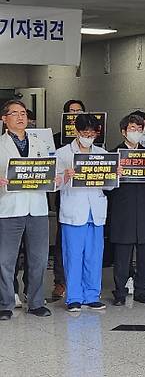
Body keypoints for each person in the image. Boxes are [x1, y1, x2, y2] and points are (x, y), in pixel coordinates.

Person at [0, 100, 59, 321]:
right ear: (4, 119)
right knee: (5, 259)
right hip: (9, 208)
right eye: (14, 113)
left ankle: (35, 301)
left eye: (23, 113)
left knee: (39, 258)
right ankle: (5, 302)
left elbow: (48, 170)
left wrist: (56, 178)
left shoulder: (39, 143)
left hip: (37, 208)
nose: (20, 117)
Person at [56, 113, 117, 312]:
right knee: (73, 255)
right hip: (73, 211)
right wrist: (65, 175)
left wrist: (114, 176)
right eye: (84, 132)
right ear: (76, 132)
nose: (88, 136)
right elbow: (53, 185)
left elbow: (108, 187)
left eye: (92, 132)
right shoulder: (63, 153)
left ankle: (92, 294)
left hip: (96, 211)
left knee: (94, 255)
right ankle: (74, 296)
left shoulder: (102, 152)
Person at [108, 114, 145, 306]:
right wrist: (114, 174)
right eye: (132, 129)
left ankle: (142, 291)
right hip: (123, 210)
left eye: (139, 129)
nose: (136, 133)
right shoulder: (113, 154)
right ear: (123, 132)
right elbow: (106, 186)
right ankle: (120, 292)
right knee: (122, 256)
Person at [52, 98, 86, 300]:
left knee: (87, 245)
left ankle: (83, 282)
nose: (75, 115)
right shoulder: (57, 140)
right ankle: (60, 281)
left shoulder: (96, 140)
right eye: (71, 112)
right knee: (62, 241)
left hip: (89, 199)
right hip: (66, 197)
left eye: (79, 111)